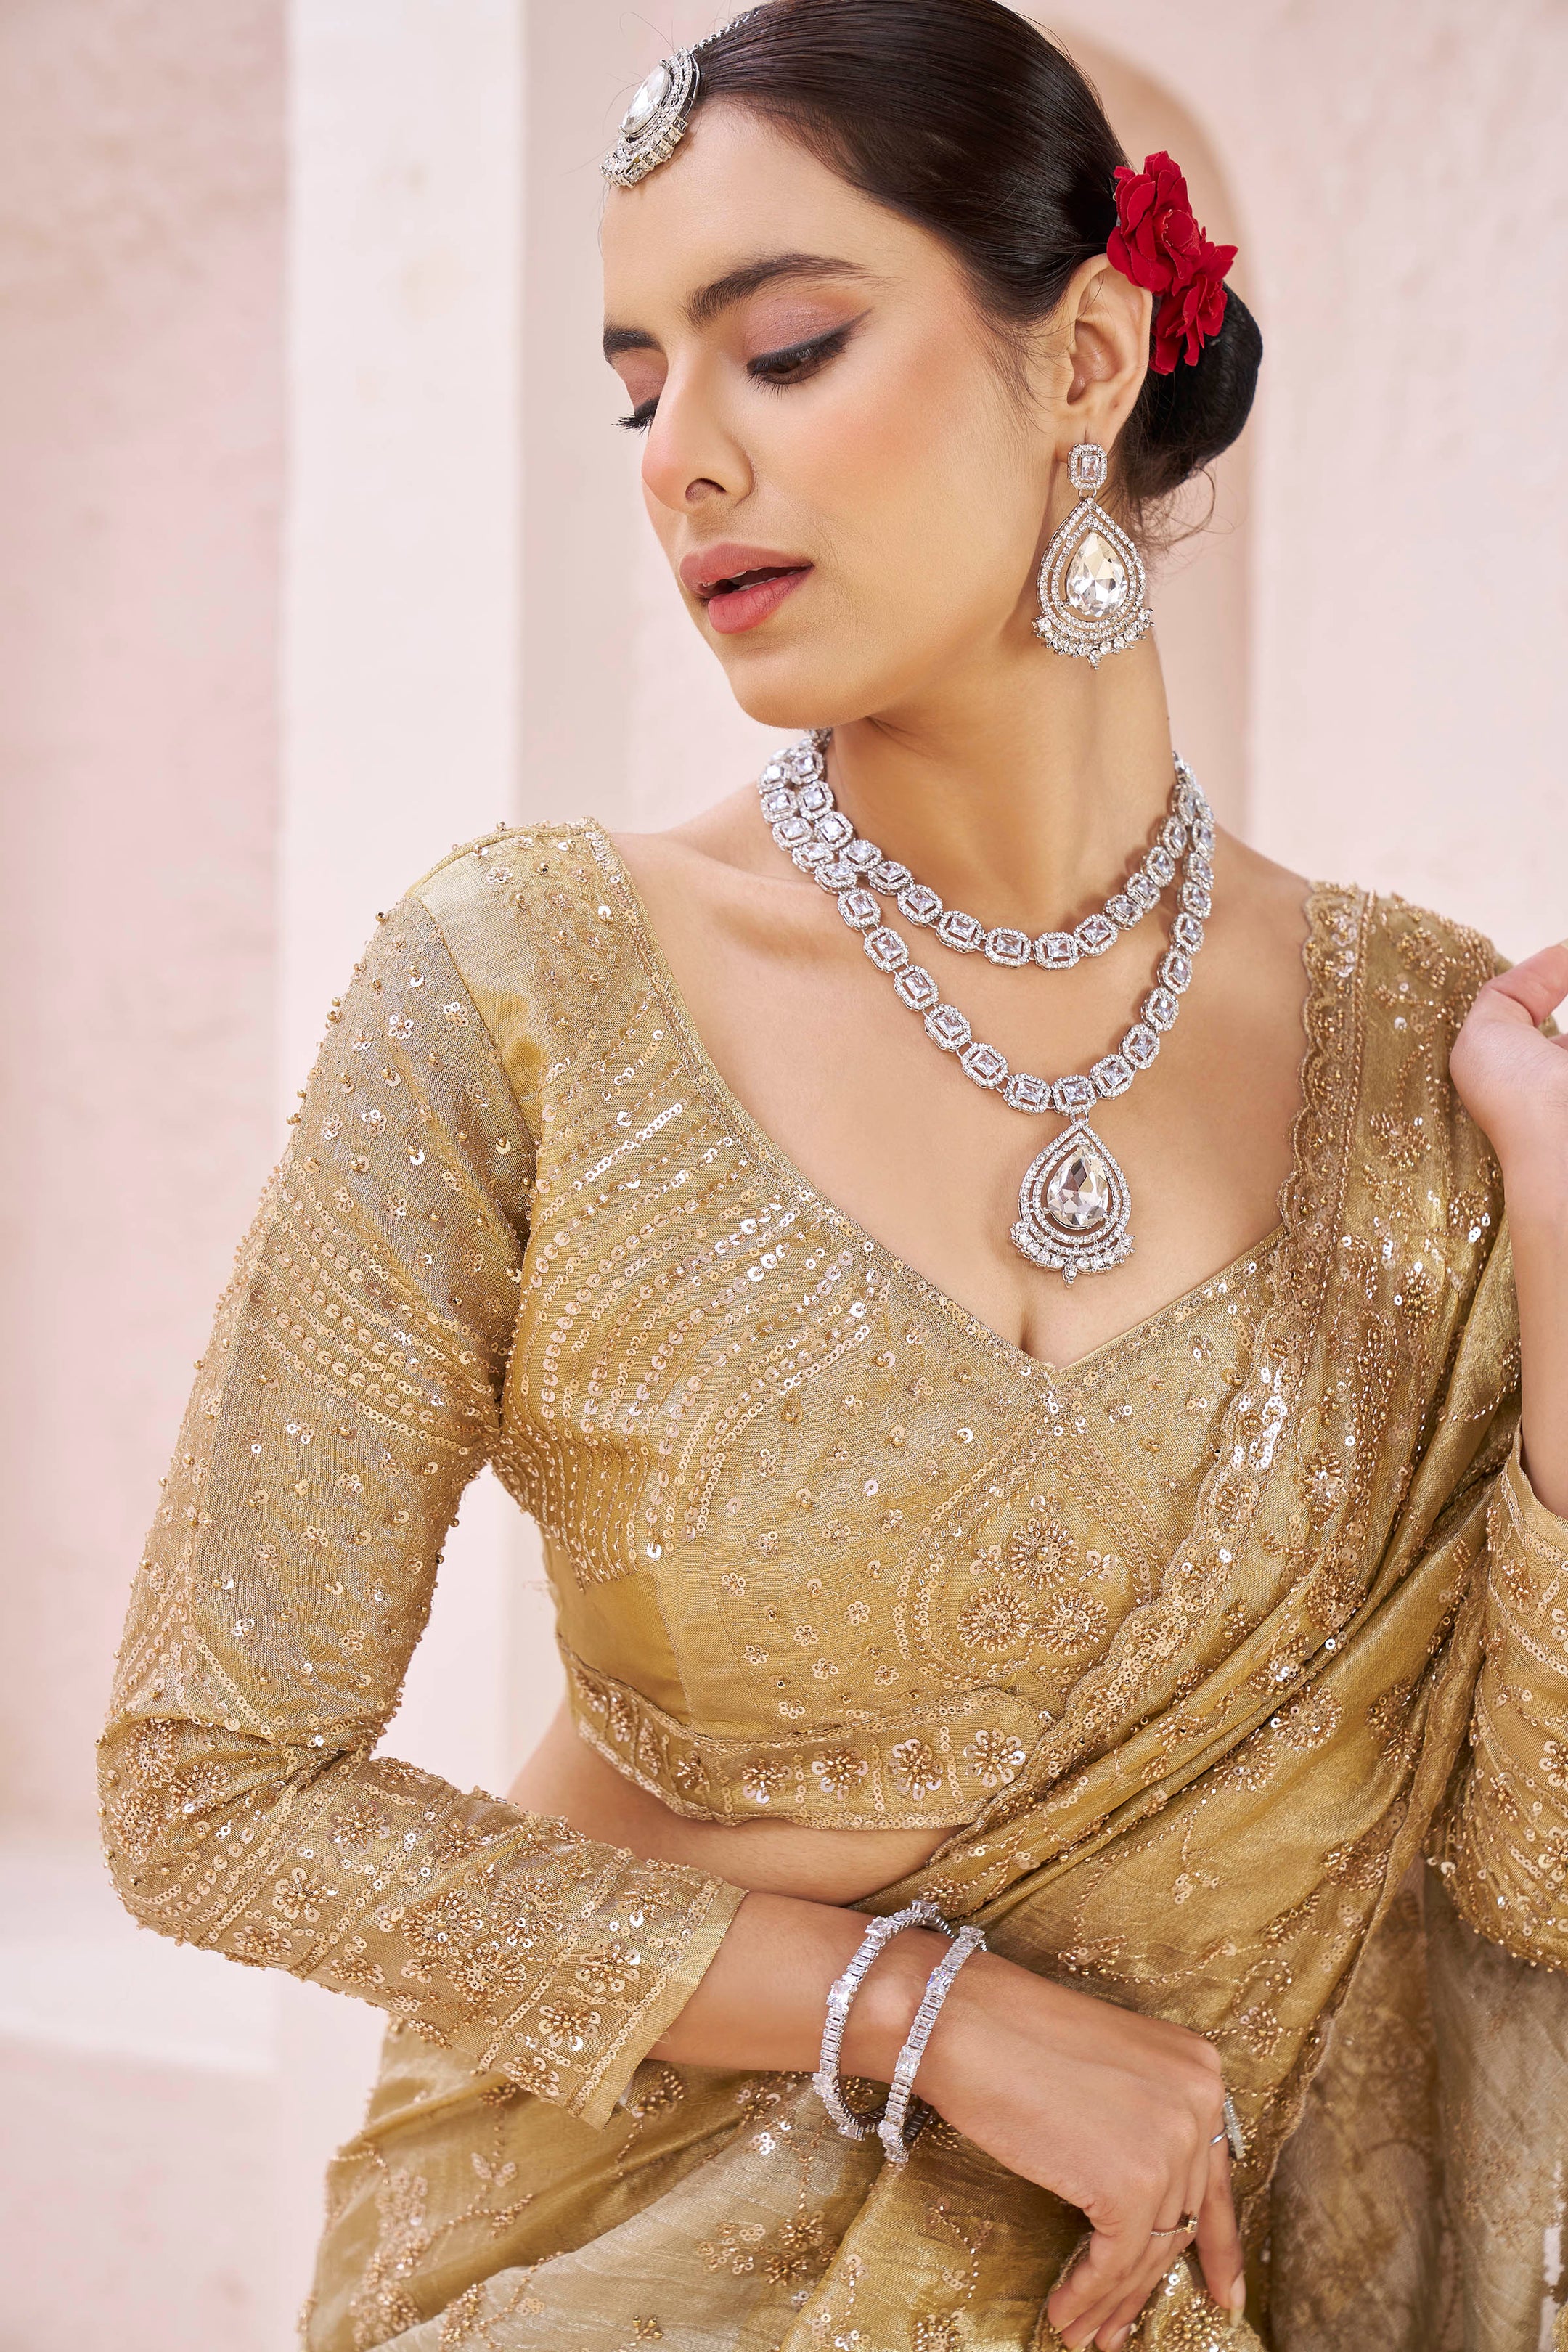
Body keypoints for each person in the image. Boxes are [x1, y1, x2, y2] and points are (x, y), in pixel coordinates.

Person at [98, 4, 1568, 2347]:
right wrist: (922, 2012)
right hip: (621, 2276)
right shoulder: (531, 992)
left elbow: (1528, 1886)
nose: (683, 459)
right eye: (636, 391)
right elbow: (208, 1789)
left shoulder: (1433, 1055)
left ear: (1085, 358)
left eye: (782, 348)